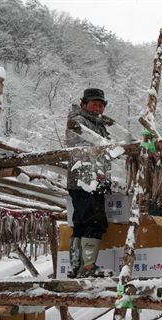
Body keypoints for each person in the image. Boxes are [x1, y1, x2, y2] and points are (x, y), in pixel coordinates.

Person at [66, 88, 113, 278]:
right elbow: (81, 147)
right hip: (86, 179)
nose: (98, 107)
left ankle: (76, 268)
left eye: (101, 104)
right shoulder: (79, 121)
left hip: (90, 179)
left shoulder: (96, 123)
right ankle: (87, 267)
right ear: (84, 104)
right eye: (94, 103)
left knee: (81, 223)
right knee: (94, 222)